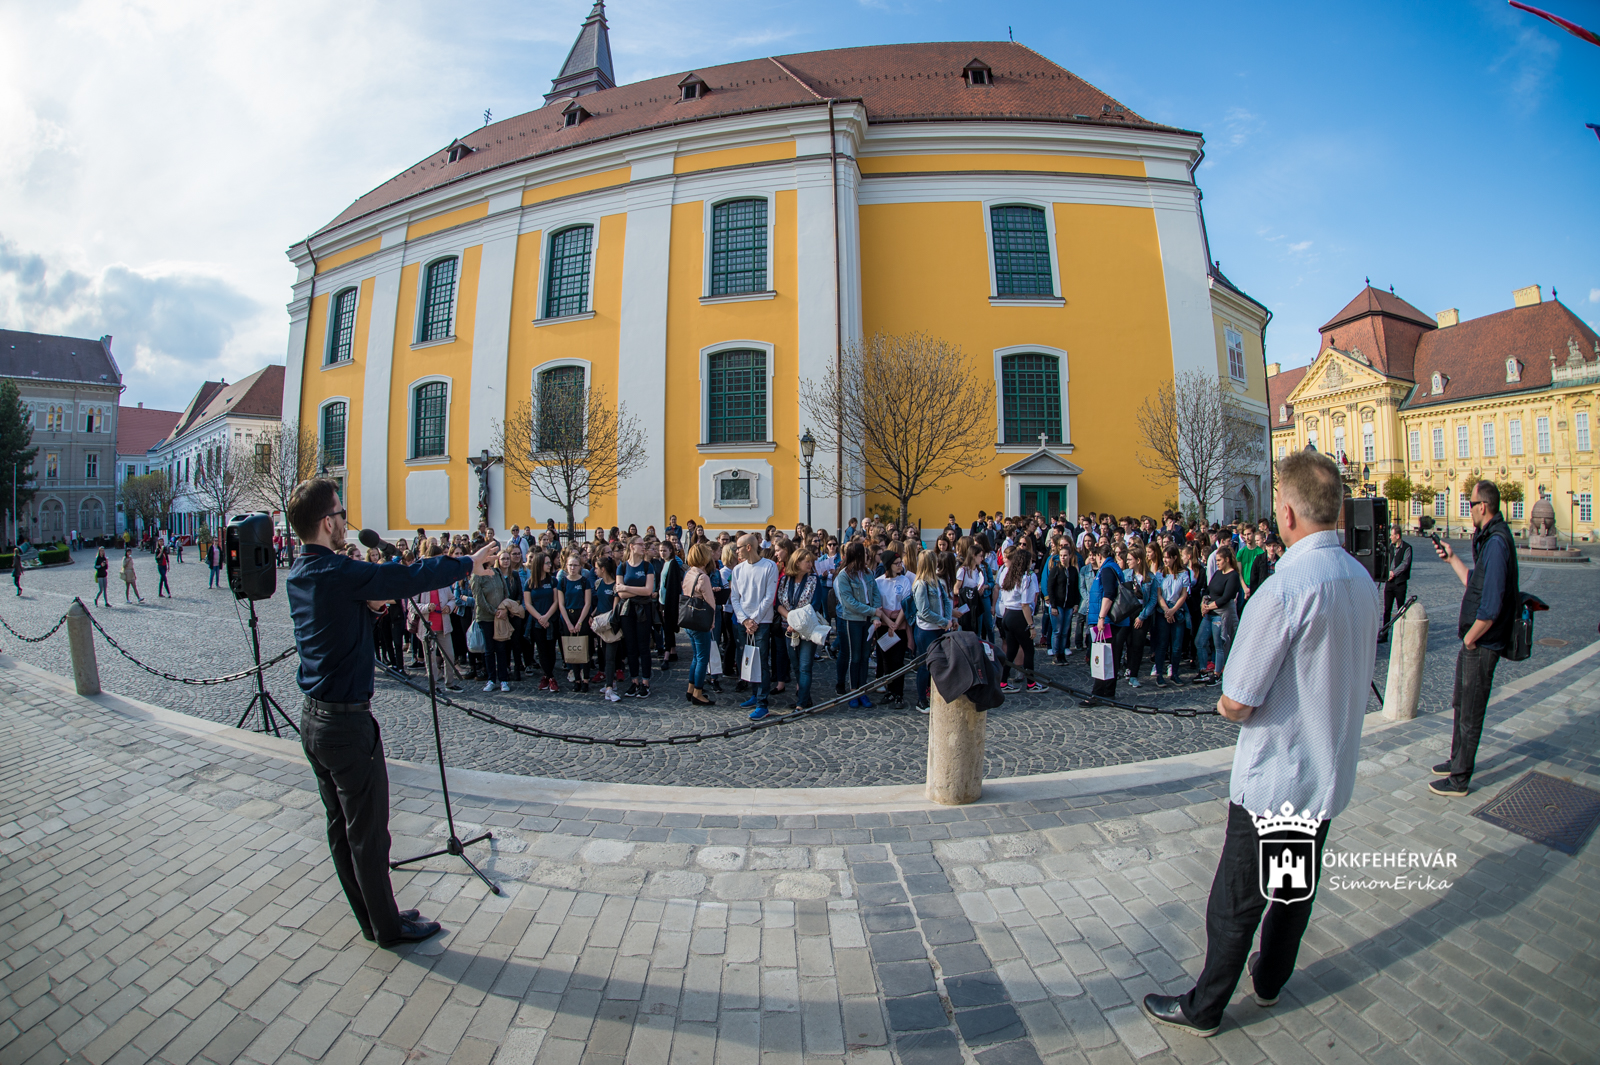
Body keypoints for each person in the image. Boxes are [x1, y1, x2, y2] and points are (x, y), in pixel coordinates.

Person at [1142, 449, 1379, 1038]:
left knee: (1236, 901)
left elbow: (1240, 698)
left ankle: (1205, 1006)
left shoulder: (1285, 588)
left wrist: (1224, 703)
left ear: (1290, 514)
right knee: (1291, 889)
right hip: (1322, 773)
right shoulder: (1360, 579)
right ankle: (1271, 979)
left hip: (1276, 776)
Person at [286, 478, 495, 948]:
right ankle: (388, 928)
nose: (346, 520)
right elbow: (408, 577)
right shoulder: (337, 572)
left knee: (342, 830)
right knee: (368, 835)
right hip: (345, 725)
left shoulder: (301, 572)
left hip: (314, 721)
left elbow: (341, 625)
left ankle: (373, 916)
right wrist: (466, 563)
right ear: (326, 522)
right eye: (341, 513)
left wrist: (371, 607)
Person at [1428, 480, 1520, 798]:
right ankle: (1457, 760)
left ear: (1483, 506)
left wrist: (1470, 638)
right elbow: (1475, 582)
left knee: (1471, 711)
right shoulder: (1490, 540)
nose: (1468, 510)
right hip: (1475, 641)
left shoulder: (1497, 543)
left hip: (1482, 643)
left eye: (1470, 504)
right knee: (1460, 703)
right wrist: (1452, 558)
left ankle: (1460, 779)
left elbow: (1492, 606)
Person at [730, 533, 779, 719]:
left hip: (762, 622)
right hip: (744, 622)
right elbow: (735, 597)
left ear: (748, 547)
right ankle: (754, 693)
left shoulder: (769, 566)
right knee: (747, 659)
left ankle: (762, 702)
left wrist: (755, 620)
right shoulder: (738, 570)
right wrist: (744, 619)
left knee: (761, 662)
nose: (737, 551)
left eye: (739, 548)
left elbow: (768, 596)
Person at [834, 539, 882, 708]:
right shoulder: (844, 575)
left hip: (868, 619)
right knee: (854, 657)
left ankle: (863, 691)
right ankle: (854, 690)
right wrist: (872, 612)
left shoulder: (868, 573)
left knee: (864, 656)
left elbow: (876, 594)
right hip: (853, 619)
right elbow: (849, 602)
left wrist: (876, 616)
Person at [472, 546, 526, 693]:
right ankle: (491, 679)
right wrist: (494, 611)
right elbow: (479, 599)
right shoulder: (476, 575)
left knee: (501, 648)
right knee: (489, 650)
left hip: (501, 616)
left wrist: (503, 609)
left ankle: (503, 679)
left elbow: (505, 591)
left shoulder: (496, 572)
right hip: (486, 617)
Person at [910, 549, 955, 712]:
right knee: (924, 665)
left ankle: (937, 695)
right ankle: (921, 700)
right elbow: (924, 611)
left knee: (940, 663)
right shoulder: (921, 584)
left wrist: (948, 621)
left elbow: (946, 601)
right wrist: (944, 621)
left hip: (940, 627)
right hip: (926, 630)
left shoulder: (936, 581)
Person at [995, 548, 1046, 693]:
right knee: (1029, 650)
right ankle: (1031, 683)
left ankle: (1003, 682)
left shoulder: (1009, 575)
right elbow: (1025, 604)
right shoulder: (1026, 578)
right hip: (1018, 616)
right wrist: (1031, 625)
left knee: (1011, 651)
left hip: (1007, 614)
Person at [775, 549, 819, 709]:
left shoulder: (814, 580)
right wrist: (790, 619)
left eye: (811, 561)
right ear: (797, 562)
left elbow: (815, 604)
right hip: (788, 628)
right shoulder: (785, 580)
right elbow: (778, 604)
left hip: (807, 629)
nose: (810, 564)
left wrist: (798, 622)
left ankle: (801, 703)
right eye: (807, 561)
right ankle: (805, 697)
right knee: (795, 665)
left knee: (805, 666)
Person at [1192, 546, 1240, 686]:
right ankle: (1203, 670)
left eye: (1219, 560)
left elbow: (1226, 597)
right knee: (1199, 641)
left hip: (1220, 615)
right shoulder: (1218, 573)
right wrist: (1203, 603)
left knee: (1219, 645)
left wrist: (1209, 606)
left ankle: (1218, 673)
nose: (1217, 563)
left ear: (1227, 560)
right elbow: (1208, 589)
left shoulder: (1233, 576)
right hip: (1209, 614)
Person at [616, 537, 657, 699]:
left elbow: (648, 590)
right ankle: (634, 680)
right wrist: (632, 590)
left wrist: (627, 587)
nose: (643, 547)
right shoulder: (623, 567)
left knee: (643, 646)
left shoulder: (648, 566)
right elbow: (620, 594)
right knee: (631, 646)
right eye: (640, 545)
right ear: (632, 547)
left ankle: (645, 682)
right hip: (627, 609)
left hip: (644, 609)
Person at [681, 542, 718, 706]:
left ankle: (691, 688)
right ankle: (698, 691)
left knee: (696, 657)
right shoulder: (703, 577)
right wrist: (712, 622)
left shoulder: (689, 573)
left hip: (689, 619)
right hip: (700, 621)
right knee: (703, 658)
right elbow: (711, 604)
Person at [554, 551, 594, 692]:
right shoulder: (563, 582)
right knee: (573, 649)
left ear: (579, 566)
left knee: (584, 649)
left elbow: (587, 603)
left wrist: (579, 623)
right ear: (566, 566)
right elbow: (561, 604)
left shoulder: (584, 581)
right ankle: (576, 679)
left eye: (575, 565)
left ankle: (585, 680)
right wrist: (569, 623)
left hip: (581, 616)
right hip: (567, 617)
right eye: (570, 565)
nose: (572, 568)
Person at [1380, 525, 1411, 644]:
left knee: (1400, 610)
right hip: (1389, 583)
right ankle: (1384, 634)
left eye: (1392, 535)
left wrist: (1394, 572)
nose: (1390, 537)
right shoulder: (1390, 547)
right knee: (1387, 610)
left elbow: (1405, 563)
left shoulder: (1407, 548)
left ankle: (1401, 635)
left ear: (1397, 536)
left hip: (1399, 583)